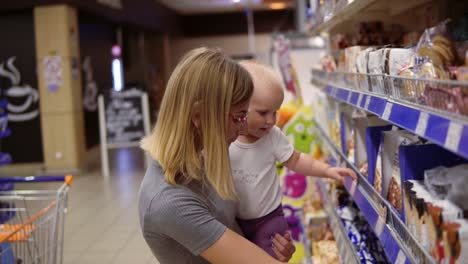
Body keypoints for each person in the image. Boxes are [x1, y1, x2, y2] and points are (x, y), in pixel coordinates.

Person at [138, 47, 295, 264]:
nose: (242, 130)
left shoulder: (202, 160)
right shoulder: (168, 202)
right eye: (238, 117)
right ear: (199, 117)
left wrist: (267, 242)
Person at [230, 60, 357, 258]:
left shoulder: (272, 137)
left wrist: (327, 170)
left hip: (268, 220)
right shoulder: (225, 140)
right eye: (263, 113)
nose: (271, 121)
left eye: (275, 112)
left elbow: (297, 160)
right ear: (237, 105)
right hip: (234, 220)